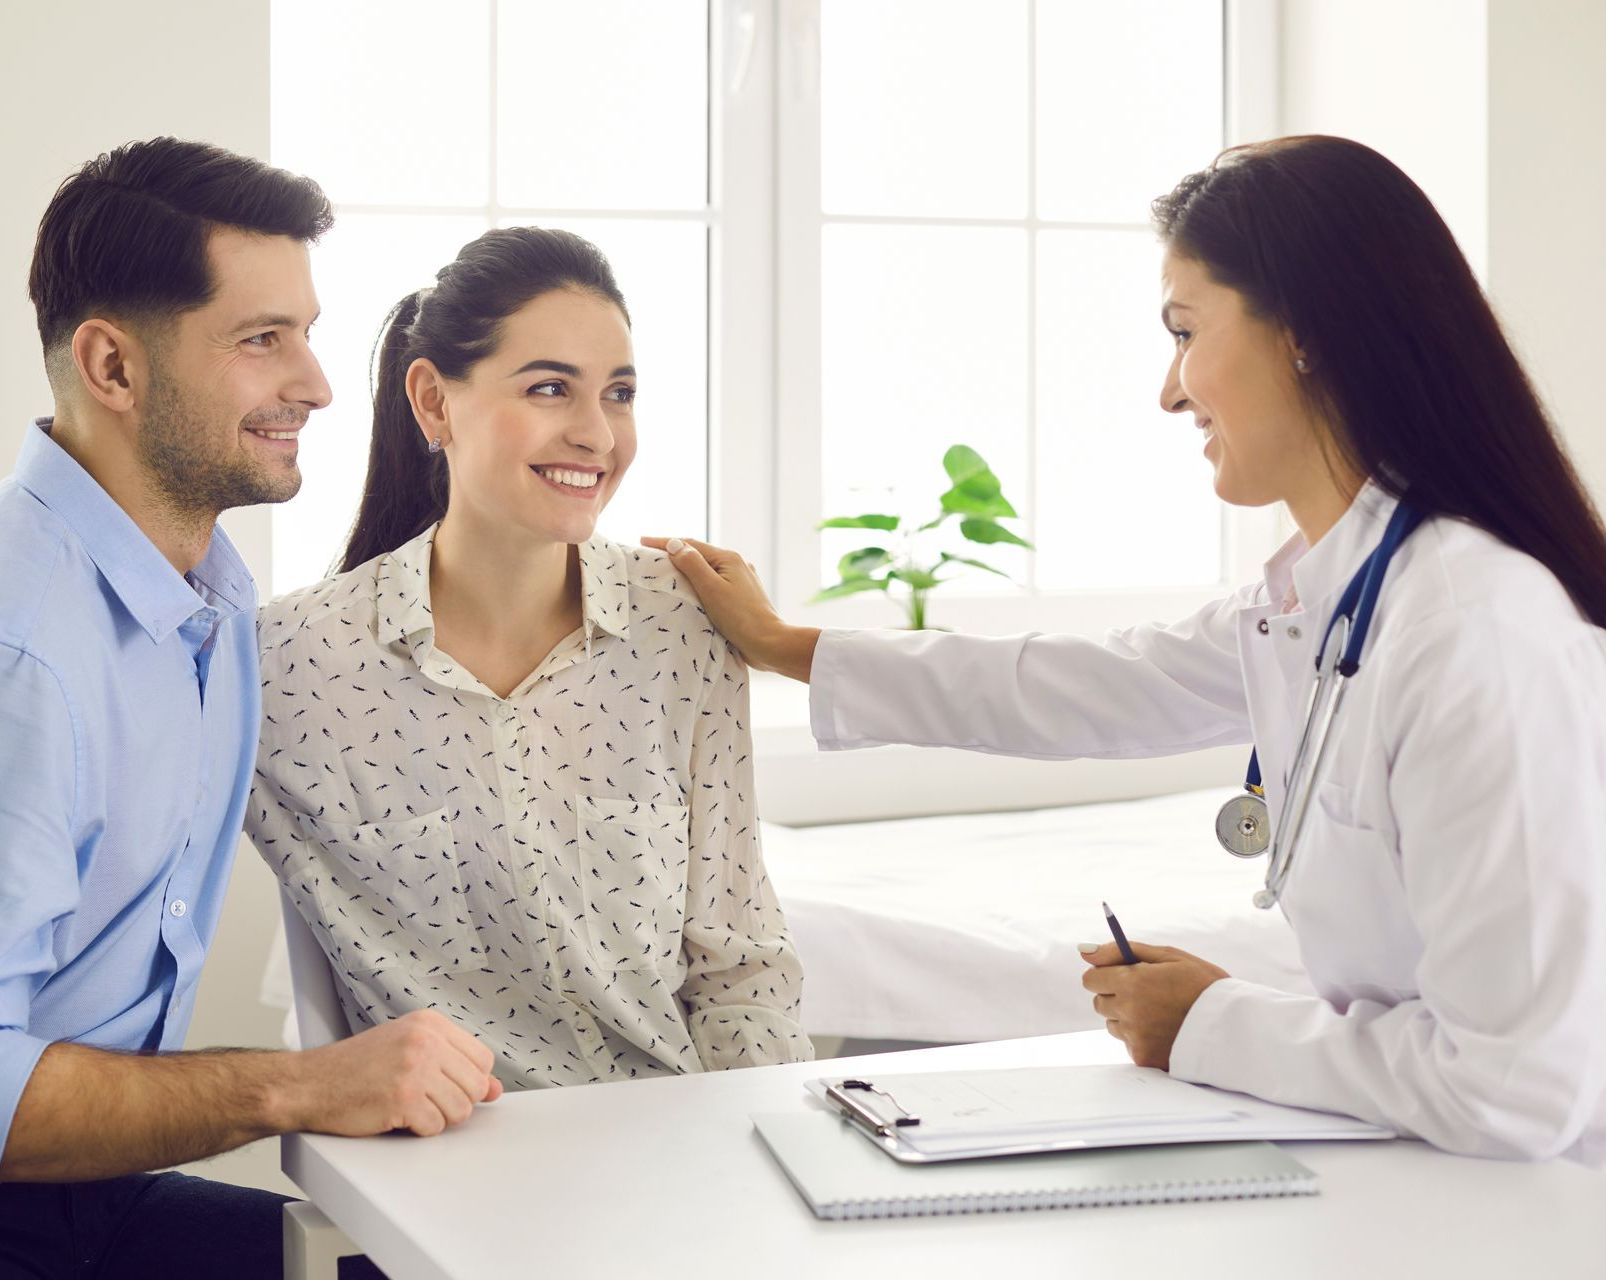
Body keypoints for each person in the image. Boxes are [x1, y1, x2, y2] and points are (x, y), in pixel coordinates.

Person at [646, 135, 1606, 1164]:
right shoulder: (1319, 601)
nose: (1168, 390)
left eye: (1184, 330)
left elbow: (1514, 1091)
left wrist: (1211, 1020)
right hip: (1427, 1181)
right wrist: (787, 646)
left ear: (1306, 335)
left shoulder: (1474, 632)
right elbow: (1076, 684)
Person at [0, 138, 500, 1279]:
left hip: (96, 1201)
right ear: (112, 367)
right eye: (261, 339)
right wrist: (296, 1085)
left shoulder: (214, 600)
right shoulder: (23, 654)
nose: (318, 384)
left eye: (308, 332)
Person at [246, 226, 811, 1091]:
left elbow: (741, 969)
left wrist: (759, 1149)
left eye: (618, 394)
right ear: (433, 402)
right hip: (452, 1175)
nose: (597, 434)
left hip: (679, 1150)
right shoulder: (285, 666)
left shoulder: (682, 623)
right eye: (551, 388)